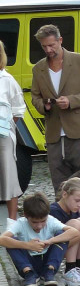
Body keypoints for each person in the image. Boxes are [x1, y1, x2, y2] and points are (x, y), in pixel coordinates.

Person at [29, 24, 80, 195]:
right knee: (59, 185)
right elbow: (35, 97)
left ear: (60, 41)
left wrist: (71, 101)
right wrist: (44, 106)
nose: (48, 50)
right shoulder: (38, 68)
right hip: (54, 134)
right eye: (44, 46)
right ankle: (64, 220)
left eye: (51, 45)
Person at [1, 192, 80, 286]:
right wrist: (28, 245)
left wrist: (50, 241)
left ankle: (49, 270)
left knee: (62, 235)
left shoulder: (51, 220)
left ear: (47, 215)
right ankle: (29, 273)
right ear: (26, 216)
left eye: (43, 221)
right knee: (10, 241)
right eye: (34, 222)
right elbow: (2, 239)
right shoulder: (20, 223)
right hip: (28, 261)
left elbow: (74, 232)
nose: (39, 226)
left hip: (47, 259)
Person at [0, 41, 25, 222]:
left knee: (9, 175)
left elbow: (18, 110)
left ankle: (12, 223)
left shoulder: (7, 80)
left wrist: (4, 125)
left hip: (2, 136)